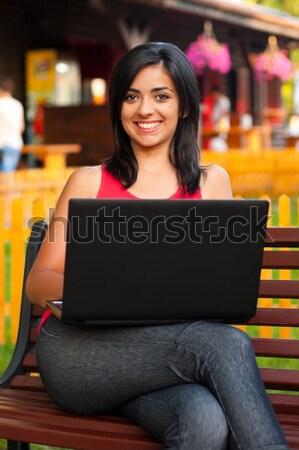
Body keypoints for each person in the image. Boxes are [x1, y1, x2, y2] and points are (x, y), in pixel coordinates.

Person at [26, 42, 288, 450]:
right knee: (226, 343)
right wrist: (104, 291)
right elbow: (38, 283)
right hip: (82, 356)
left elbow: (223, 287)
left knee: (203, 420)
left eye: (161, 96)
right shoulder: (89, 182)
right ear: (118, 107)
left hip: (164, 361)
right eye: (131, 96)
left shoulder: (211, 183)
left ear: (184, 106)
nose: (144, 110)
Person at [0, 77, 25, 171]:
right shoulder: (18, 104)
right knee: (8, 175)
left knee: (3, 179)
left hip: (2, 143)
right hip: (15, 143)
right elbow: (21, 127)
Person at [209, 86, 231, 152]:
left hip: (222, 124)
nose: (213, 96)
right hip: (216, 126)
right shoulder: (216, 102)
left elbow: (225, 113)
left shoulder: (224, 101)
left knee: (220, 140)